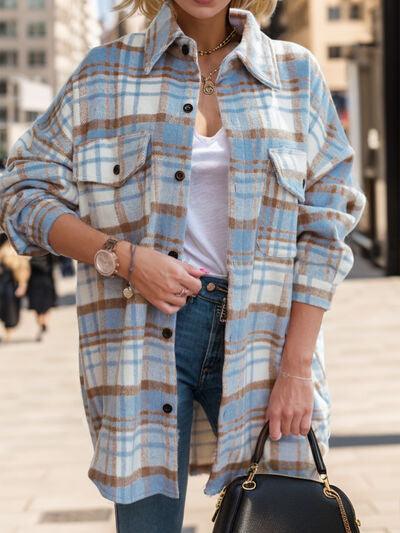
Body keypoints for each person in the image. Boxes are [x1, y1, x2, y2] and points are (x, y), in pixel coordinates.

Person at [0, 0, 367, 531]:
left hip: (266, 338)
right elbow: (20, 192)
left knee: (282, 513)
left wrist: (296, 368)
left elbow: (327, 226)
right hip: (142, 335)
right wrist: (122, 259)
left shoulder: (295, 73)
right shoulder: (105, 73)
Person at [0, 234, 31, 342]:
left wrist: (22, 284)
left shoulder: (17, 251)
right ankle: (7, 332)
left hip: (11, 285)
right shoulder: (3, 251)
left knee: (10, 310)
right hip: (4, 284)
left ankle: (8, 332)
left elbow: (23, 270)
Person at [26, 254, 58, 342]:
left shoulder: (30, 254)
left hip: (35, 284)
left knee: (37, 309)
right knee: (47, 306)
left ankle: (41, 324)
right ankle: (44, 323)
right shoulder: (49, 253)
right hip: (47, 282)